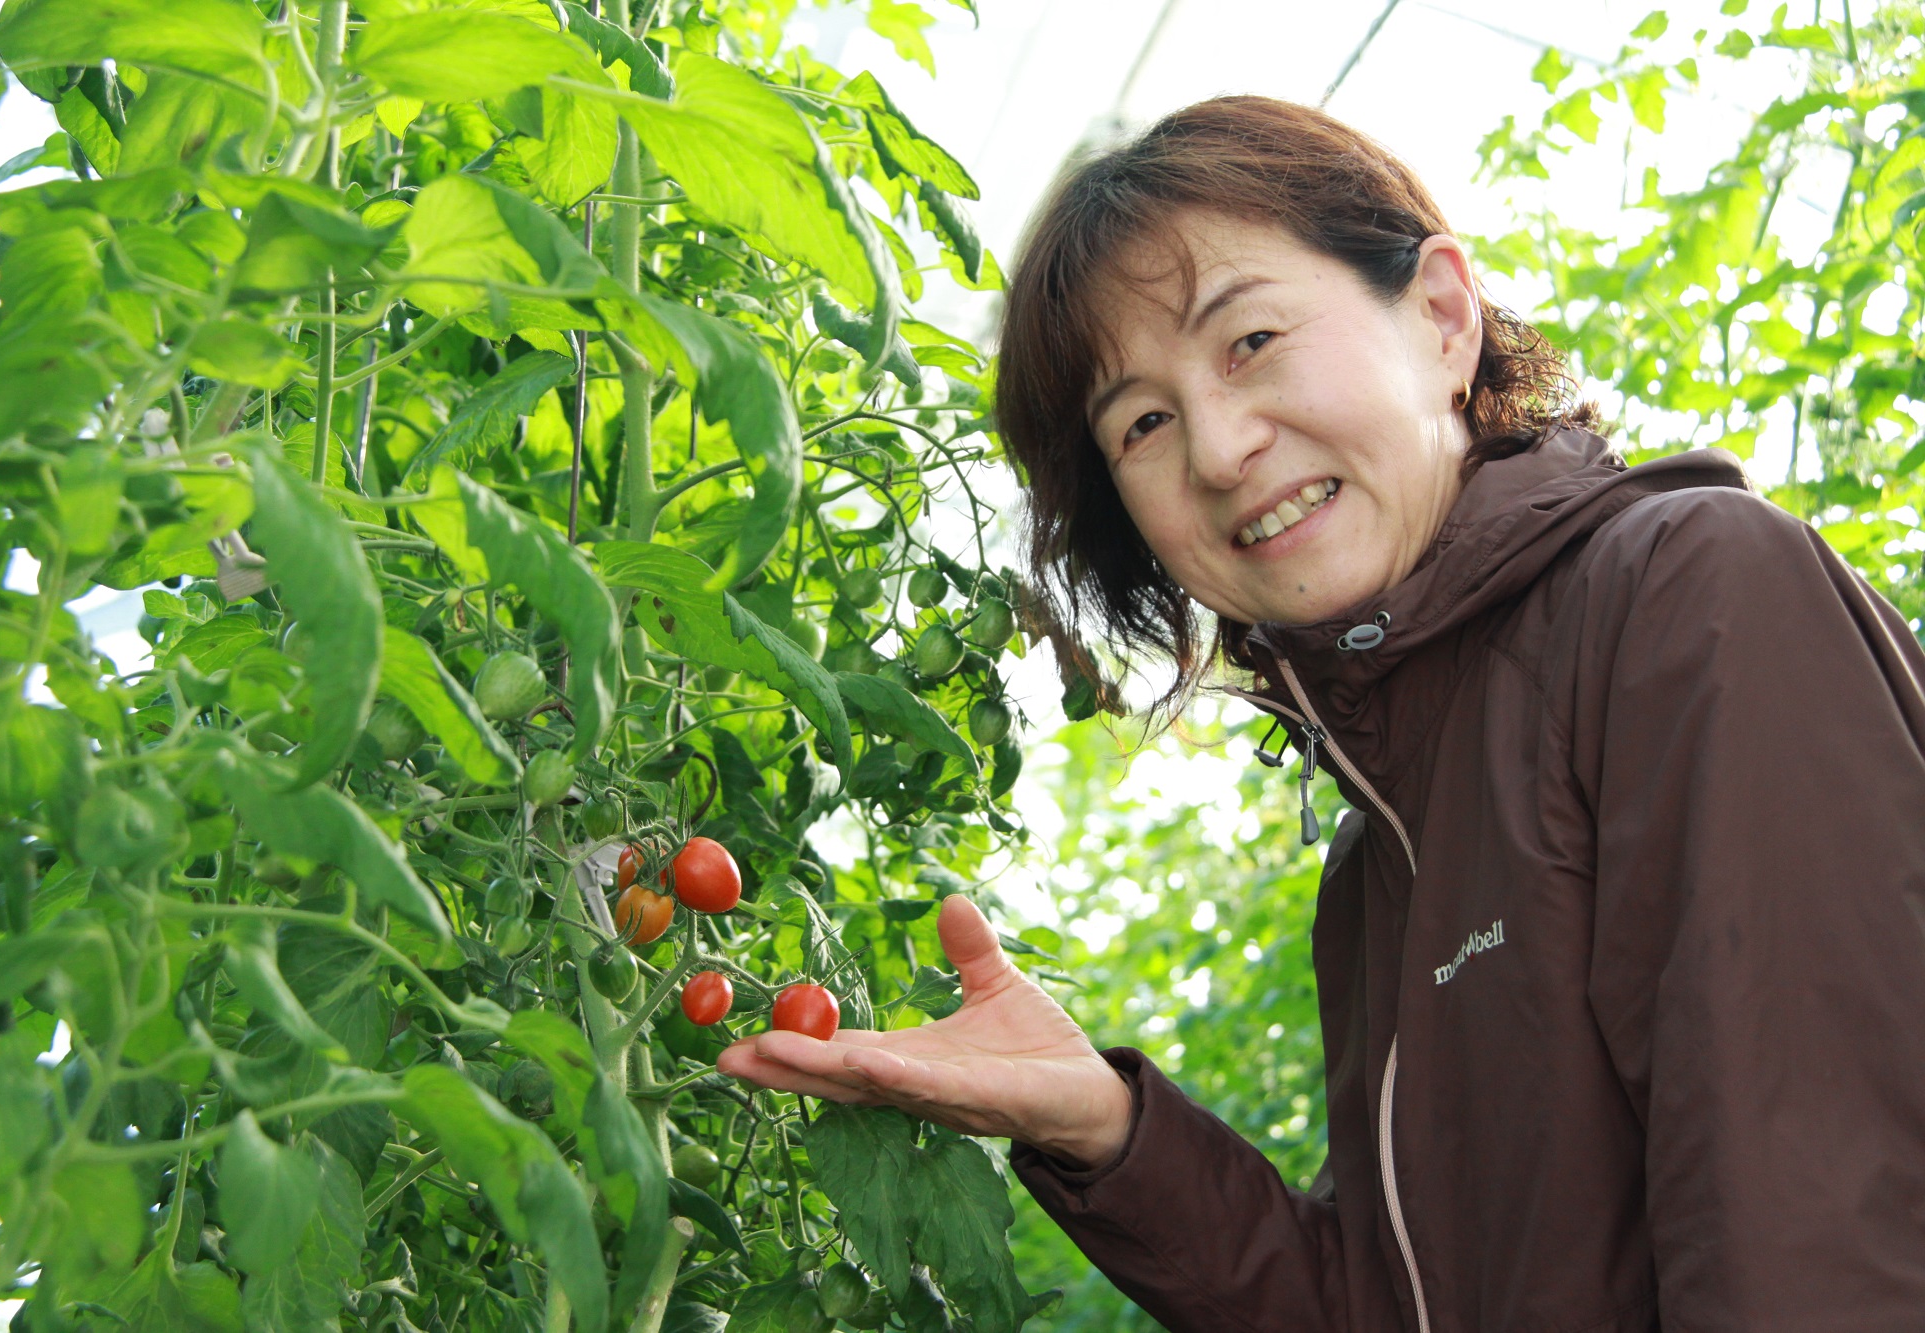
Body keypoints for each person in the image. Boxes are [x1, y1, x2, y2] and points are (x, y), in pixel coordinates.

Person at [719, 96, 1925, 1330]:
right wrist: (1111, 1132)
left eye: (1249, 340)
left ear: (1442, 317)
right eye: (1142, 422)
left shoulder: (1685, 599)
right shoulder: (1378, 852)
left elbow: (1824, 1253)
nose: (1217, 450)